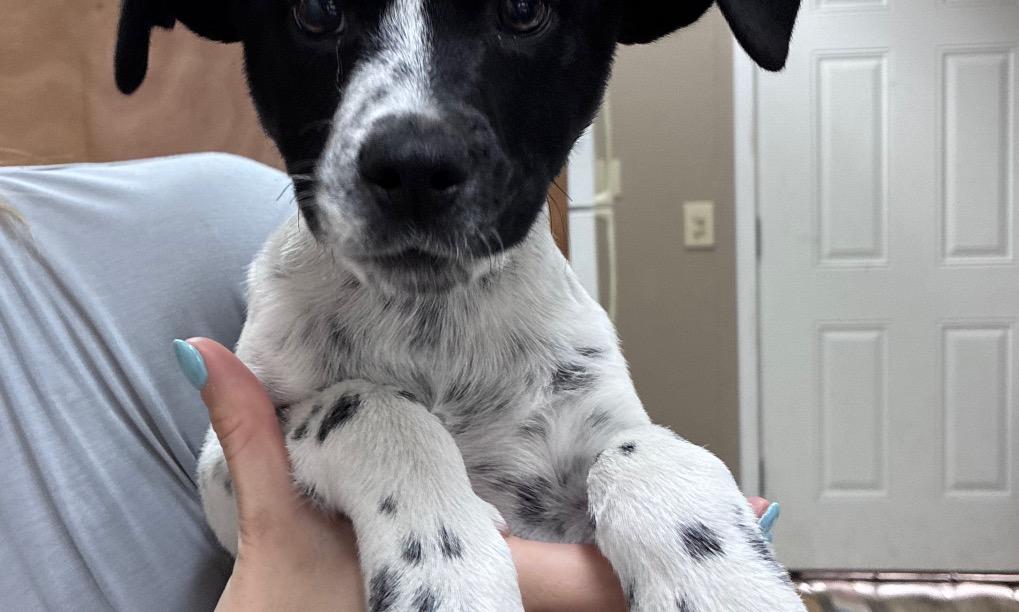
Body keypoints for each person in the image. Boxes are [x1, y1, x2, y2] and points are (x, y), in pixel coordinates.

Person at [0, 154, 776, 611]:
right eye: (323, 11)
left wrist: (656, 491)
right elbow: (236, 495)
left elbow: (602, 455)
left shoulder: (205, 207)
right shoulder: (275, 247)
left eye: (521, 5)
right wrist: (383, 445)